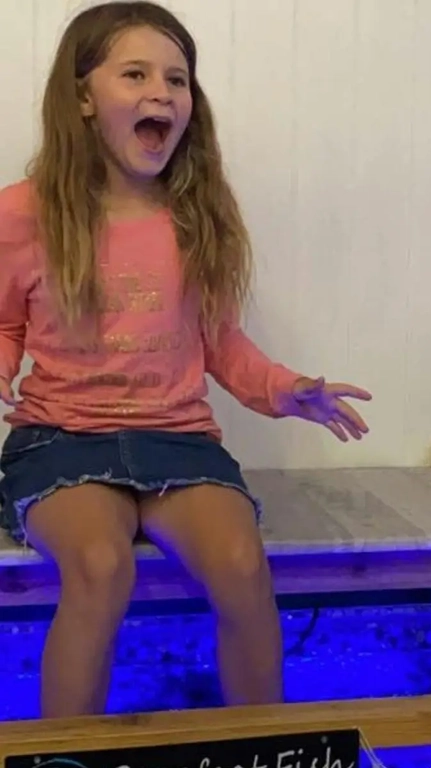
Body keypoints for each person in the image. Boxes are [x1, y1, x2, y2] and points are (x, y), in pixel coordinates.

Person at [0, 1, 371, 718]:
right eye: (134, 73)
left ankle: (263, 751)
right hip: (62, 439)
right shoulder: (24, 213)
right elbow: (3, 321)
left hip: (177, 441)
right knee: (100, 567)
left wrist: (288, 390)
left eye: (177, 79)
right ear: (82, 96)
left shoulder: (198, 212)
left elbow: (221, 343)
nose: (161, 93)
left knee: (240, 567)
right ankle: (63, 762)